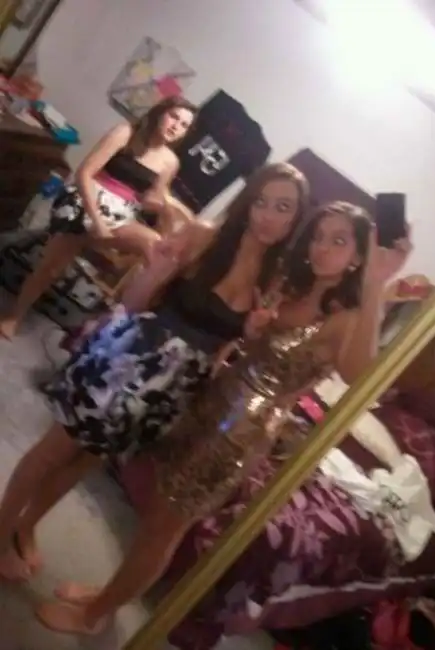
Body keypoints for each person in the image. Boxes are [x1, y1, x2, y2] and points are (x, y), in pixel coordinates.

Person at [15, 201, 409, 634]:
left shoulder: (348, 317)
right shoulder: (294, 287)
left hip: (240, 434)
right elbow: (249, 346)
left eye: (338, 241)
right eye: (318, 236)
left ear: (358, 258)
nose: (322, 248)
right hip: (208, 403)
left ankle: (95, 616)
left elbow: (362, 377)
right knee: (155, 517)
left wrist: (376, 285)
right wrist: (254, 331)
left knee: (165, 528)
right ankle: (106, 597)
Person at [0, 162, 309, 587]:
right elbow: (132, 301)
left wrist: (253, 336)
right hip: (133, 354)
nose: (268, 216)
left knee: (88, 458)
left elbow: (226, 351)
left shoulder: (274, 281)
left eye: (283, 207)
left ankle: (27, 524)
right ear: (247, 203)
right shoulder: (204, 236)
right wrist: (156, 272)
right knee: (56, 448)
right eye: (262, 202)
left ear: (296, 218)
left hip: (176, 385)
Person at [0, 95, 197, 340]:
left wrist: (168, 206)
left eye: (184, 125)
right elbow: (85, 172)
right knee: (52, 267)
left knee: (156, 249)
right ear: (160, 113)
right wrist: (97, 221)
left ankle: (107, 324)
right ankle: (14, 316)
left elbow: (150, 199)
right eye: (174, 117)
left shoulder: (170, 162)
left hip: (121, 213)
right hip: (86, 199)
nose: (176, 126)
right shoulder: (125, 133)